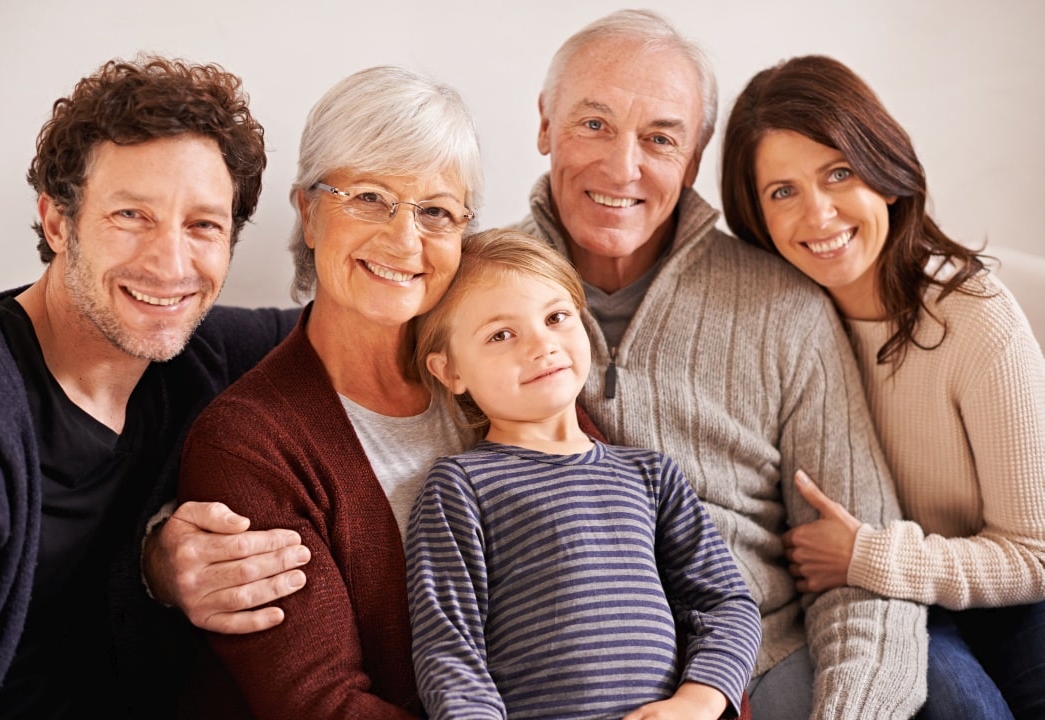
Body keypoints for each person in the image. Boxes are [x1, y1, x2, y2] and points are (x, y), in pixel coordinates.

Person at [512, 10, 930, 720]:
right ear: (545, 123)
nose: (622, 166)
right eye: (593, 124)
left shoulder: (785, 305)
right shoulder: (473, 294)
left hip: (765, 660)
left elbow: (861, 575)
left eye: (659, 138)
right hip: (562, 673)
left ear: (696, 155)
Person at [0, 55, 304, 719]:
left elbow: (369, 322)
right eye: (131, 215)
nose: (170, 264)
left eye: (202, 225)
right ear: (58, 222)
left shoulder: (204, 356)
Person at [720, 53, 1045, 720]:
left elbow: (1034, 554)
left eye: (838, 173)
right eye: (782, 191)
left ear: (885, 173)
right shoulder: (767, 330)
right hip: (901, 608)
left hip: (1009, 595)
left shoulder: (972, 317)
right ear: (753, 215)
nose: (818, 214)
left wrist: (868, 555)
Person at [175, 65, 486, 719]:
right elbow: (320, 703)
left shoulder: (502, 366)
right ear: (309, 213)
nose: (404, 239)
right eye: (369, 197)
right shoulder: (249, 443)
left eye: (435, 211)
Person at [407, 228, 761, 720]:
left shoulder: (651, 476)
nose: (541, 345)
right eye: (501, 334)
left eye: (556, 317)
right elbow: (449, 646)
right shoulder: (461, 487)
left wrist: (697, 701)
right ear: (450, 372)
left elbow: (726, 603)